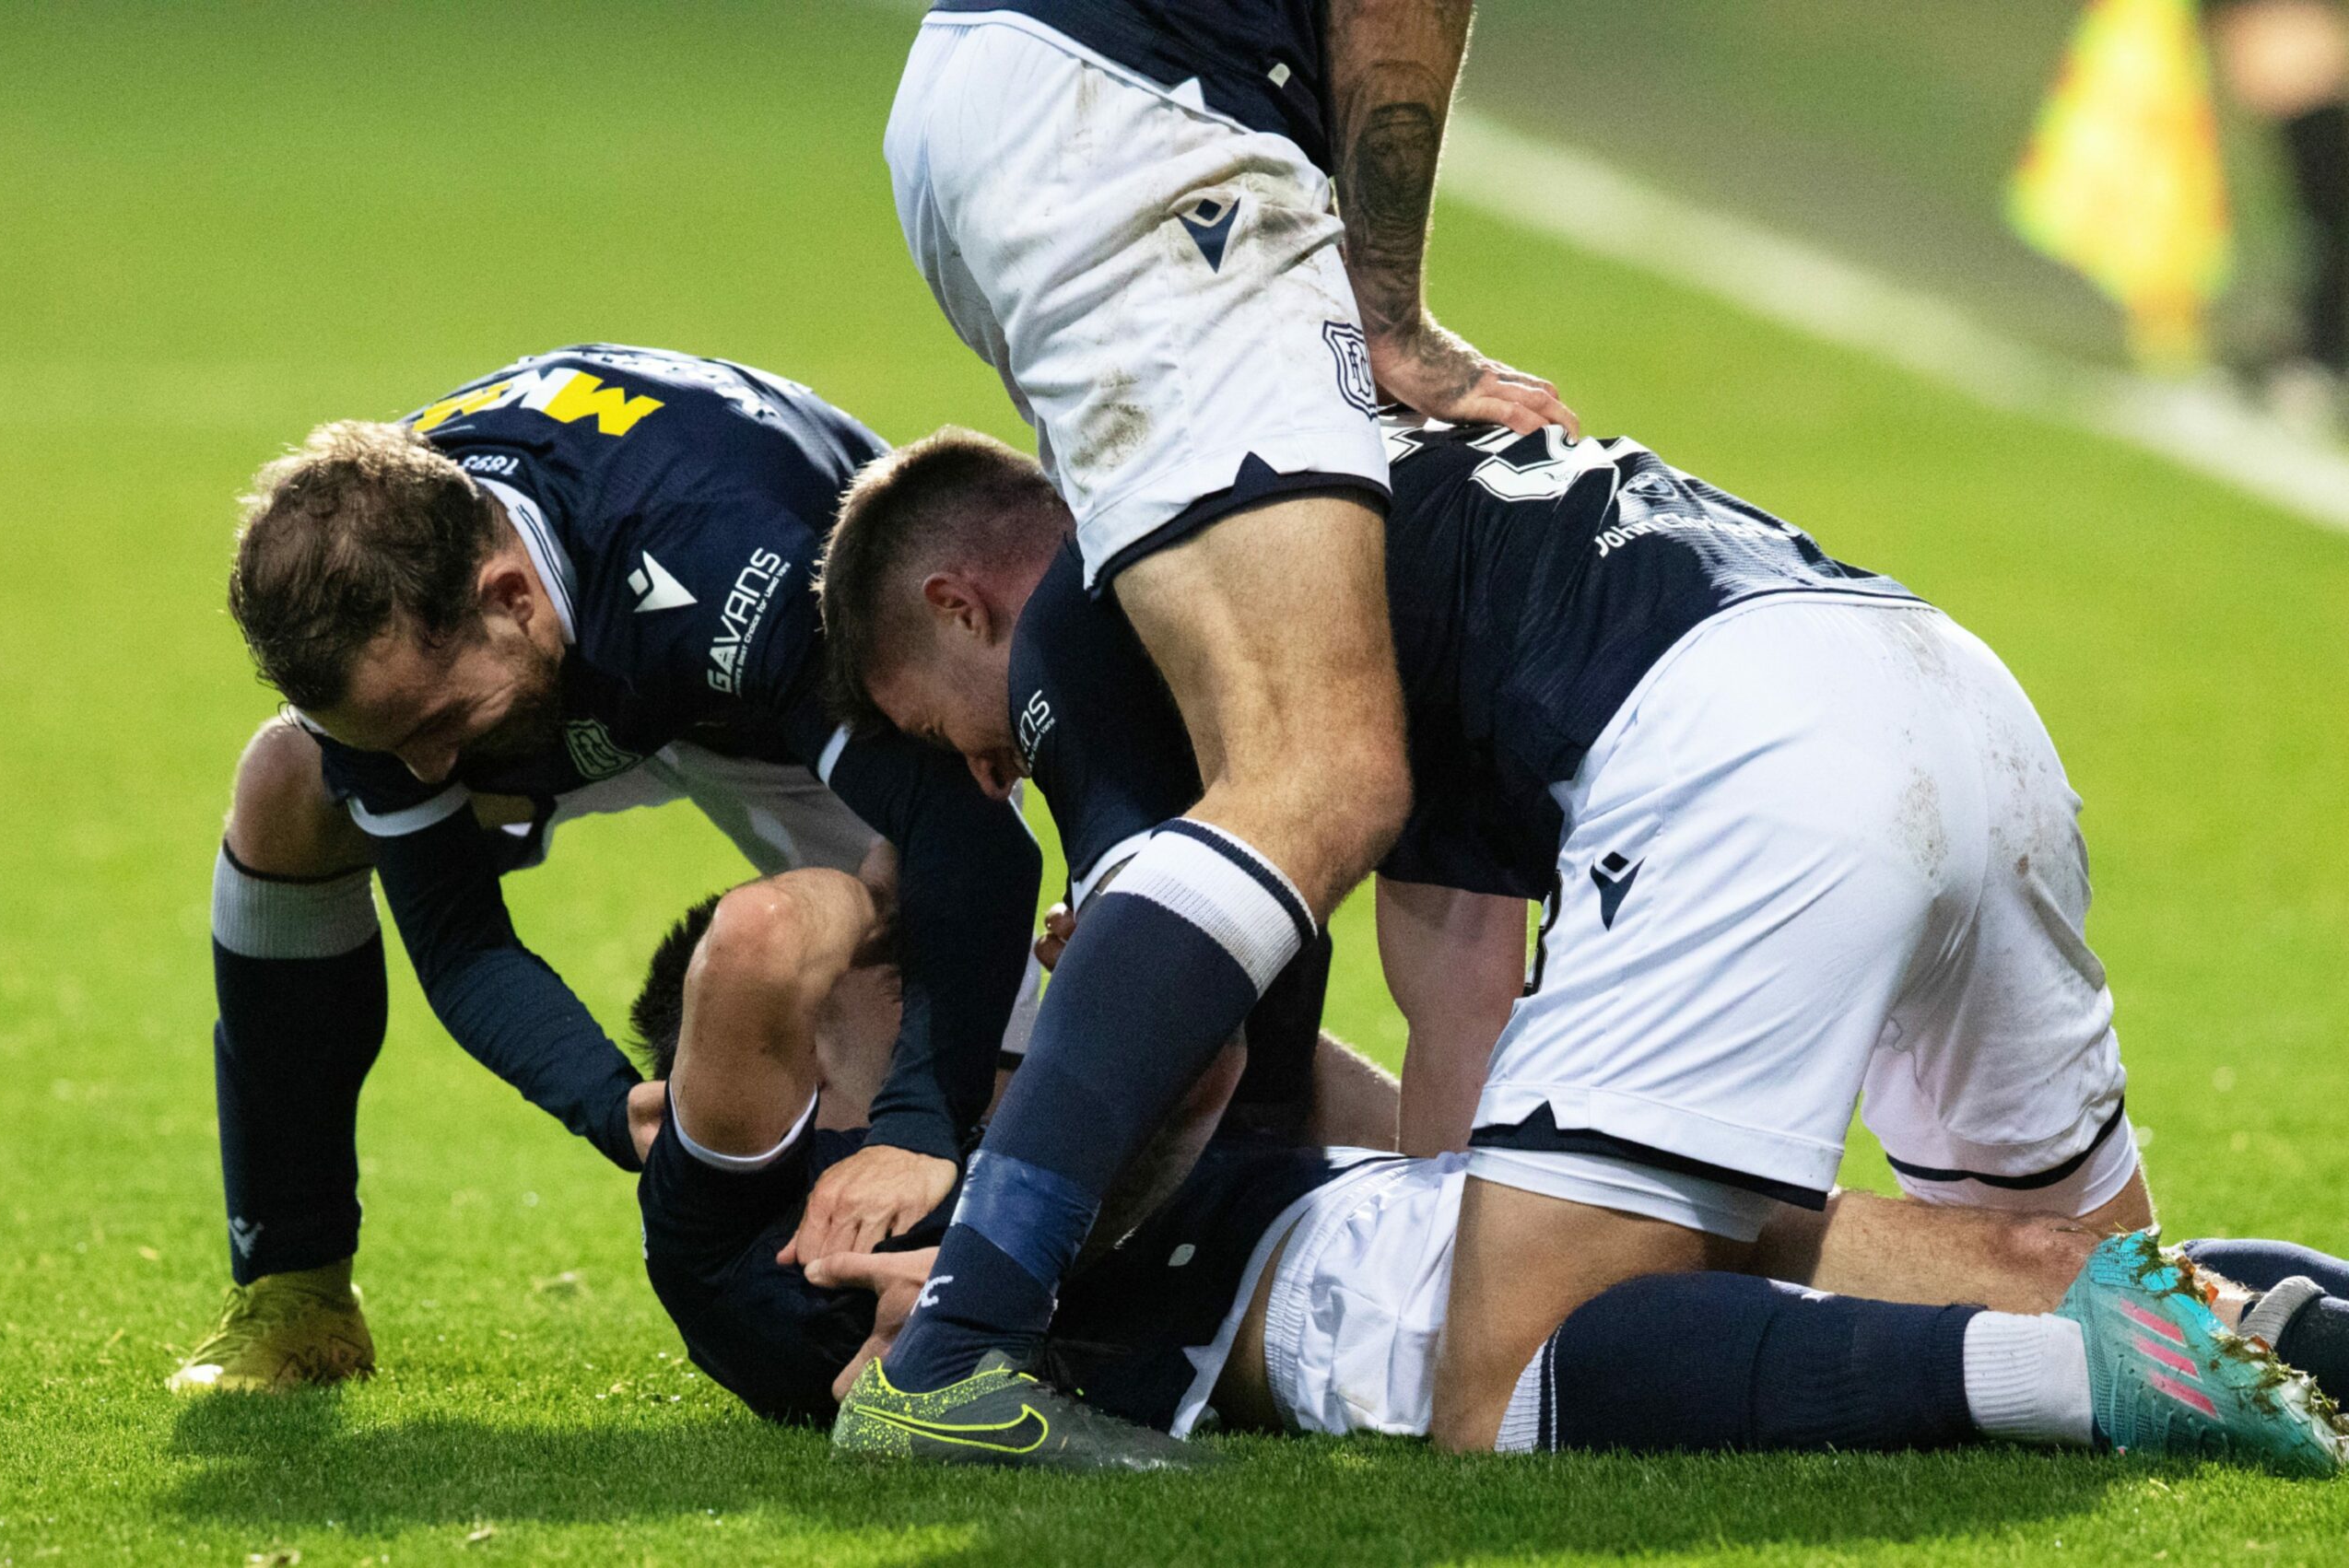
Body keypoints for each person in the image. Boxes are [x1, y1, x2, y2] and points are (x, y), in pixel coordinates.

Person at [819, 411, 2171, 1458]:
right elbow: (1465, 955)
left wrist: (1000, 1275)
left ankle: (2066, 1378)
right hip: (1950, 690)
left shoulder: (1103, 589)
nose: (992, 775)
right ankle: (2282, 1332)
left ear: (962, 606)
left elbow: (1184, 1045)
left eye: (957, 735)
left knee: (1508, 1365)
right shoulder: (1347, 476)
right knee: (2103, 1277)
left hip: (1741, 754)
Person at [636, 865, 2347, 1473]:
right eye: (907, 1015)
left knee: (2004, 1252)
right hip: (1330, 1288)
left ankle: (2220, 1334)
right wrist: (909, 869)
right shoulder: (758, 1242)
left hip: (1393, 1210)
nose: (965, 1026)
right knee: (1510, 1341)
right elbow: (765, 944)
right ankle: (2109, 1379)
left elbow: (1347, 1108)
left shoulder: (1006, 1120)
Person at [860, 0, 1573, 1450]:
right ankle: (961, 1346)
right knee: (1320, 766)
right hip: (1142, 122)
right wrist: (1387, 312)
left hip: (1009, 99)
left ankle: (1160, 1252)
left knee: (1254, 761)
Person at [174, 345, 1040, 1393]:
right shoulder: (386, 621)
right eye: (392, 739)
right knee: (288, 782)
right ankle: (296, 1285)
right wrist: (604, 1097)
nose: (427, 769)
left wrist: (915, 1126)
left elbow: (971, 835)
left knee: (1005, 1070)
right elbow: (457, 937)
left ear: (509, 594)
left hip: (795, 702)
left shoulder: (732, 553)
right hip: (584, 696)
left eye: (438, 723)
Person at [2206, 0, 2349, 431]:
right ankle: (2314, 357)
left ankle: (2312, 352)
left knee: (2328, 216)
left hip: (2299, 46)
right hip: (2288, 49)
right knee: (2331, 215)